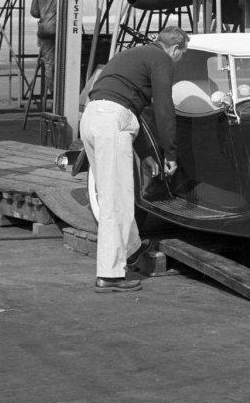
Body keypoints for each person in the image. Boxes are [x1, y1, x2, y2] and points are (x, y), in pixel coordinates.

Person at [80, 27, 189, 292]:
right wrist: (170, 153)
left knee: (110, 195)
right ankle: (111, 275)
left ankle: (131, 249)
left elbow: (128, 104)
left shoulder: (133, 54)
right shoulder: (162, 59)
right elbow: (163, 108)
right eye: (181, 55)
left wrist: (147, 154)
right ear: (175, 49)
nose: (177, 60)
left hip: (92, 116)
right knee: (118, 201)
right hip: (112, 121)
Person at [29, 0, 58, 100]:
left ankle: (53, 91)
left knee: (49, 63)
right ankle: (59, 93)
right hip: (58, 29)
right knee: (65, 63)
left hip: (44, 29)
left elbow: (34, 12)